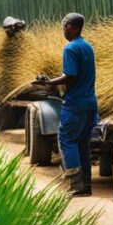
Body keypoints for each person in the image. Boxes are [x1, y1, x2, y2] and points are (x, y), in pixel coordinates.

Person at [34, 13, 97, 196]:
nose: (64, 29)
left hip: (75, 103)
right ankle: (86, 186)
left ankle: (76, 185)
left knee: (66, 140)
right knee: (82, 144)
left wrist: (48, 83)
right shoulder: (87, 46)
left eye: (66, 26)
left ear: (76, 28)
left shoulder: (70, 48)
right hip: (90, 102)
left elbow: (70, 76)